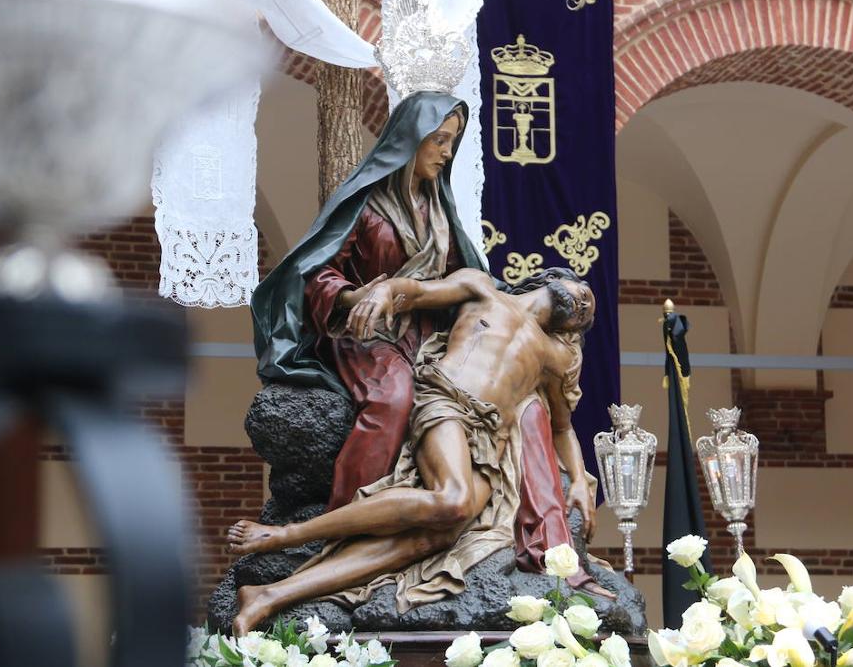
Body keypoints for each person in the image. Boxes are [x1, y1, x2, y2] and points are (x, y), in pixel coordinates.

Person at [249, 92, 593, 587]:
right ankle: (346, 523)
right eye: (440, 140)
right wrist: (354, 296)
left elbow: (455, 282)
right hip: (366, 334)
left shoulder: (439, 211)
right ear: (410, 140)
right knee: (393, 398)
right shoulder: (367, 204)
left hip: (425, 336)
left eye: (452, 142)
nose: (446, 152)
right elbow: (318, 274)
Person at [230, 268, 600, 633]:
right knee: (453, 500)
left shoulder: (557, 356)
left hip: (491, 440)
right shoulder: (483, 289)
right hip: (448, 403)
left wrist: (580, 482)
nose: (584, 304)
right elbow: (418, 292)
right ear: (553, 278)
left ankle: (270, 595)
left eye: (587, 314)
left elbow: (562, 427)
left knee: (439, 536)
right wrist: (385, 291)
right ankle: (286, 535)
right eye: (583, 293)